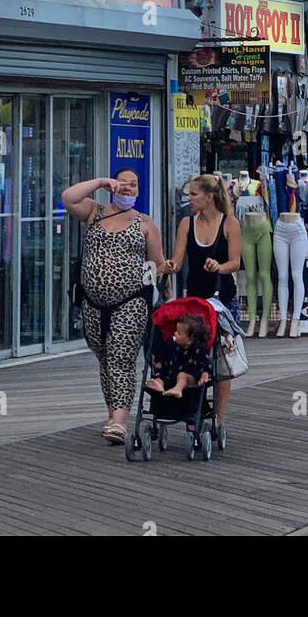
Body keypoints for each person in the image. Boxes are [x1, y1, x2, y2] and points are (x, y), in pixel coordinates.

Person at [62, 167, 169, 444]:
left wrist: (162, 288)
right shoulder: (94, 213)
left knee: (121, 357)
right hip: (93, 302)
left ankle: (120, 420)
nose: (129, 189)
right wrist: (99, 182)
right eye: (123, 184)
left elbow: (156, 264)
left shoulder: (145, 223)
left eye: (133, 185)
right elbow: (68, 198)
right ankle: (113, 415)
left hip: (131, 301)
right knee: (105, 358)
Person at [169, 174, 242, 427]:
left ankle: (218, 419)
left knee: (221, 361)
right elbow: (178, 260)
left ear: (209, 197)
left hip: (223, 298)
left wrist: (219, 266)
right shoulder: (187, 224)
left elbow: (235, 262)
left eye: (194, 194)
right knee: (194, 354)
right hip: (196, 300)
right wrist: (168, 266)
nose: (189, 199)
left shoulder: (230, 224)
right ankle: (195, 410)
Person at [146, 313, 211, 398]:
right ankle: (159, 385)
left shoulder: (198, 350)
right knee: (161, 377)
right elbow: (165, 358)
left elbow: (205, 366)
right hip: (171, 374)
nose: (175, 333)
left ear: (189, 340)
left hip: (190, 377)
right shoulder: (172, 345)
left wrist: (204, 375)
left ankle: (177, 389)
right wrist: (158, 363)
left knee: (182, 376)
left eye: (179, 333)